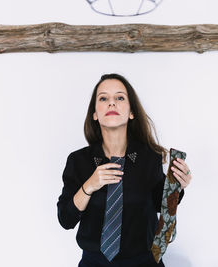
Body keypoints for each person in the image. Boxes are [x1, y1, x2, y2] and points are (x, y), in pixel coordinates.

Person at [57, 73, 192, 267]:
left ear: (131, 112)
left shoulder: (149, 157)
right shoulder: (79, 161)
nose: (112, 103)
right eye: (103, 98)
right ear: (95, 113)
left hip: (144, 262)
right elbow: (66, 219)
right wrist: (89, 185)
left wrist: (178, 185)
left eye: (120, 97)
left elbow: (159, 205)